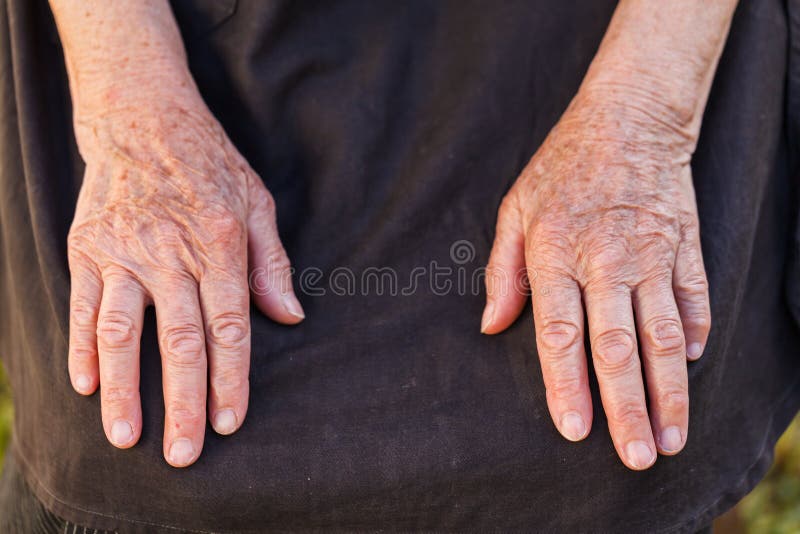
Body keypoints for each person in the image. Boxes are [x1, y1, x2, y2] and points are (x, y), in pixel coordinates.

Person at [0, 0, 798, 531]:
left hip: (618, 44)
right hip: (159, 40)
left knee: (602, 432)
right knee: (138, 434)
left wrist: (643, 117)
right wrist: (130, 105)